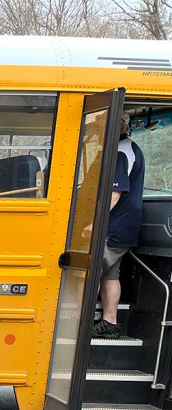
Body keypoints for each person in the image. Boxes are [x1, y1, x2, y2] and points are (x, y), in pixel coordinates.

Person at [95, 112, 145, 339]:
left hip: (112, 227)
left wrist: (94, 222)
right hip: (126, 226)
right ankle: (110, 322)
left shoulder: (120, 152)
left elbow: (114, 193)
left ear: (122, 125)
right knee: (110, 274)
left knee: (90, 273)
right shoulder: (133, 149)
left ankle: (79, 325)